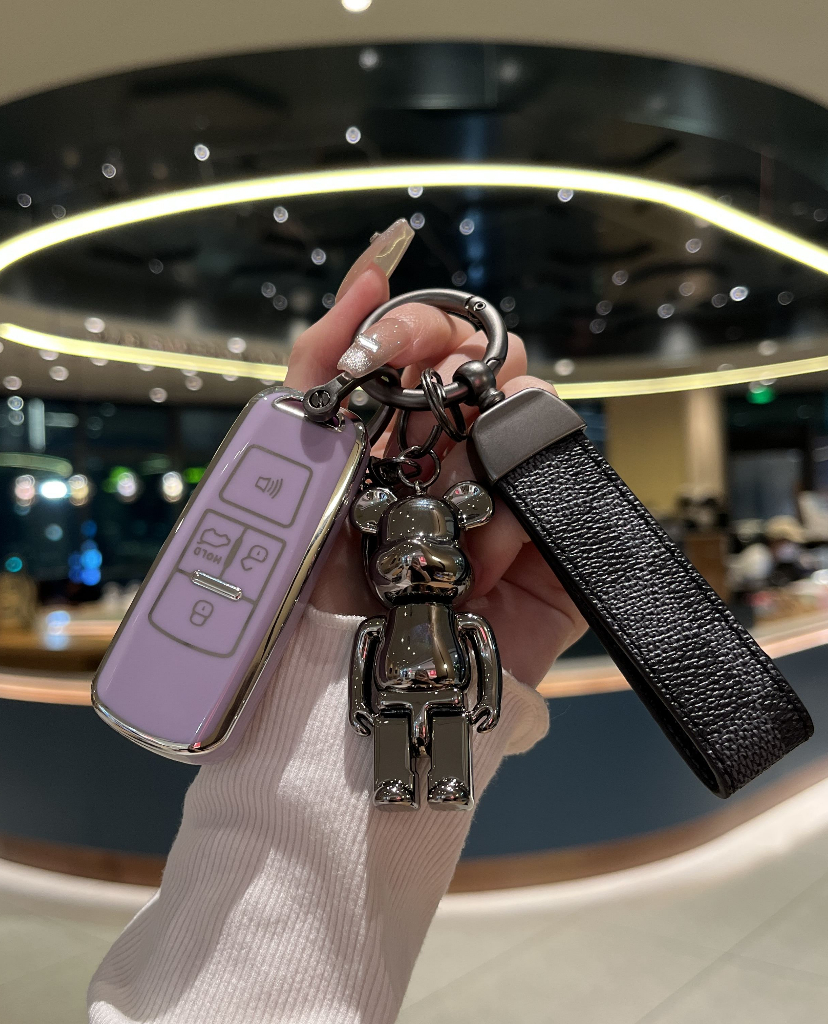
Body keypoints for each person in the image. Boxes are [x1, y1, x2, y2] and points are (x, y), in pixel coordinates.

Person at [88, 220, 587, 1023]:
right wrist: (334, 700)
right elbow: (364, 658)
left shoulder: (453, 586)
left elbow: (465, 647)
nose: (418, 566)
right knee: (396, 751)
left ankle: (436, 772)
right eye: (401, 558)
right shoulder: (382, 585)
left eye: (432, 558)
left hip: (434, 677)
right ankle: (394, 773)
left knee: (441, 751)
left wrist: (479, 704)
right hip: (397, 679)